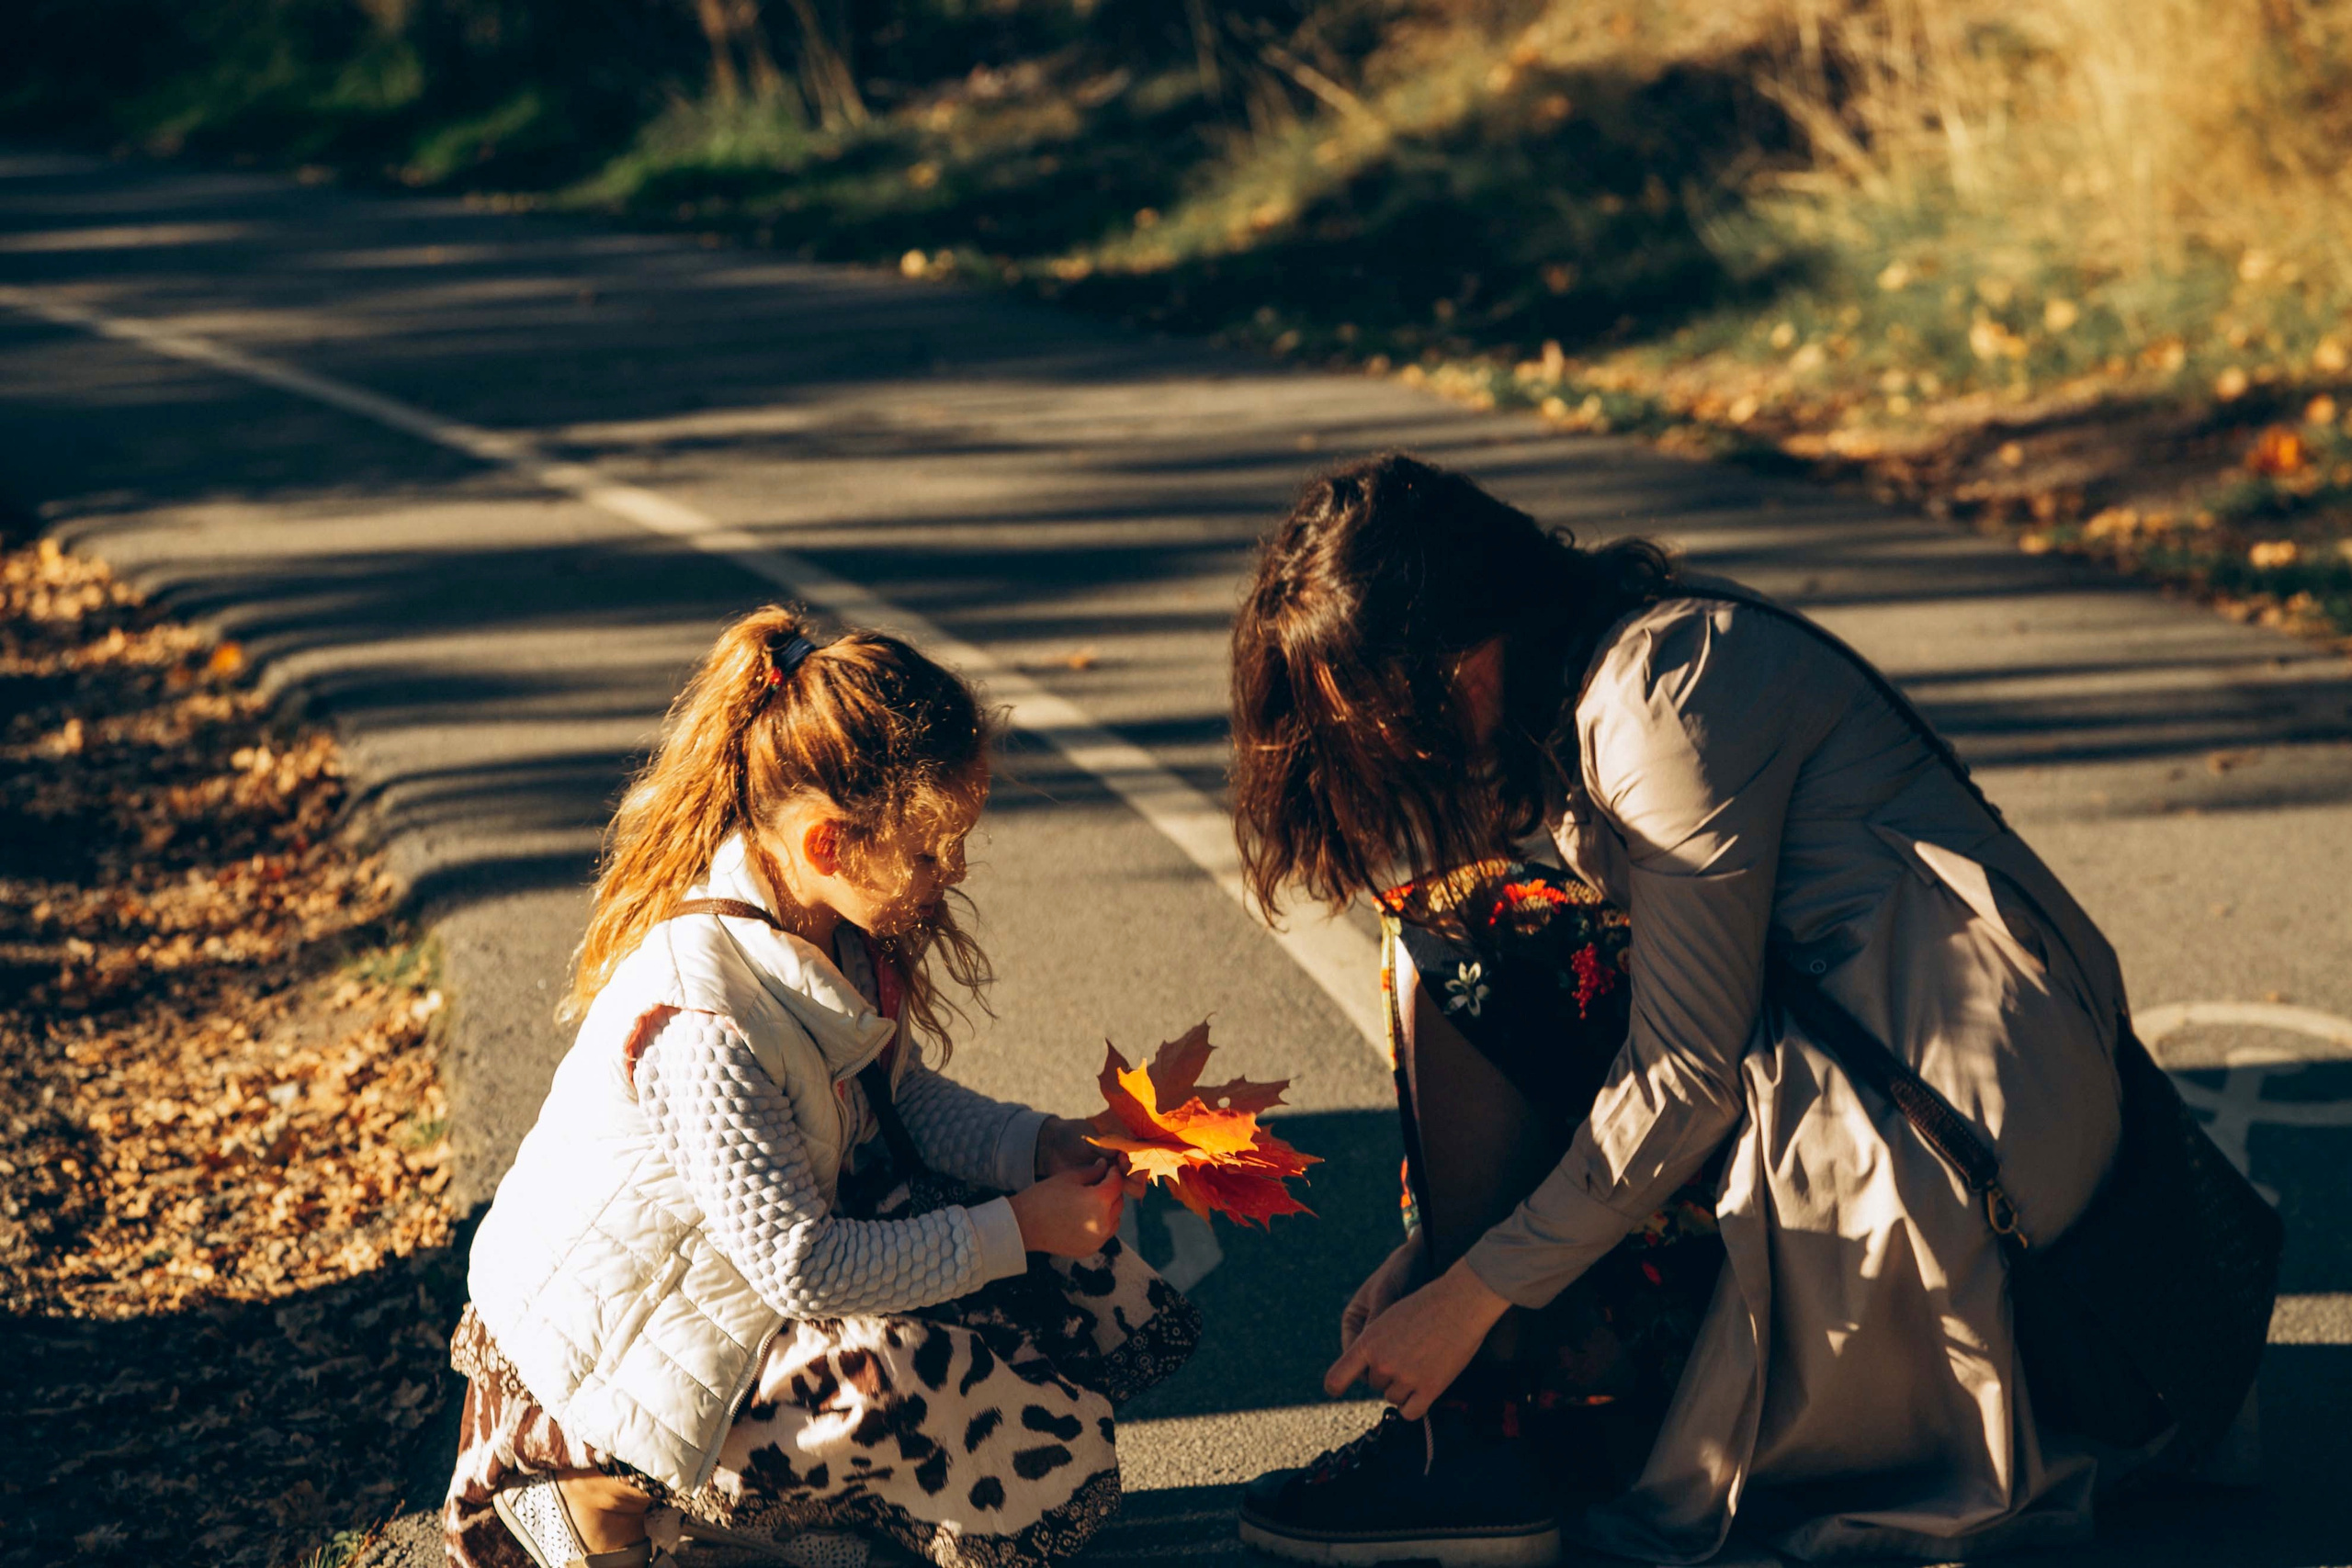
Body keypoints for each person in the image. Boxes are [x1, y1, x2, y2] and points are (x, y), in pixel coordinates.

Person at [1222, 454, 2153, 1564]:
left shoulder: (1657, 698)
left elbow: (1683, 1073)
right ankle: (1501, 1425)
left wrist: (1468, 1295)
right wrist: (1443, 1251)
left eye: (1386, 718)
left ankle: (1474, 1444)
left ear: (1464, 654)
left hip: (1955, 1163)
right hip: (1913, 1095)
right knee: (1517, 948)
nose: (1394, 753)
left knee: (1468, 937)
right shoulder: (1621, 666)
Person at [442, 609, 1200, 1568]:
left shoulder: (824, 932)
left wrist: (1037, 1147)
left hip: (722, 1290)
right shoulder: (703, 1018)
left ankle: (775, 1506)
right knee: (924, 1374)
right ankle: (592, 1491)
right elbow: (801, 1267)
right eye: (929, 851)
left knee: (1042, 1243)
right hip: (613, 1356)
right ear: (828, 845)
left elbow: (897, 1104)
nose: (954, 871)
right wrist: (1016, 1228)